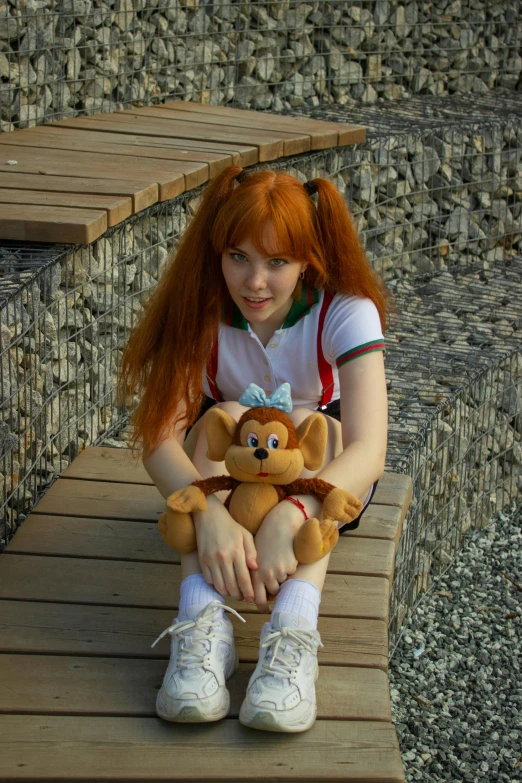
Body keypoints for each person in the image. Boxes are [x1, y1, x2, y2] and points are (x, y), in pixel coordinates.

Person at [118, 165, 389, 733]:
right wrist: (211, 513)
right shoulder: (199, 307)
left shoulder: (344, 310)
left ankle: (294, 630)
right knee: (227, 414)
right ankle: (203, 627)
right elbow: (158, 437)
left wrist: (293, 513)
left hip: (319, 489)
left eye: (277, 262)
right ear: (217, 251)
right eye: (238, 256)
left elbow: (369, 448)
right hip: (224, 482)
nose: (254, 282)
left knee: (310, 424)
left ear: (307, 261)